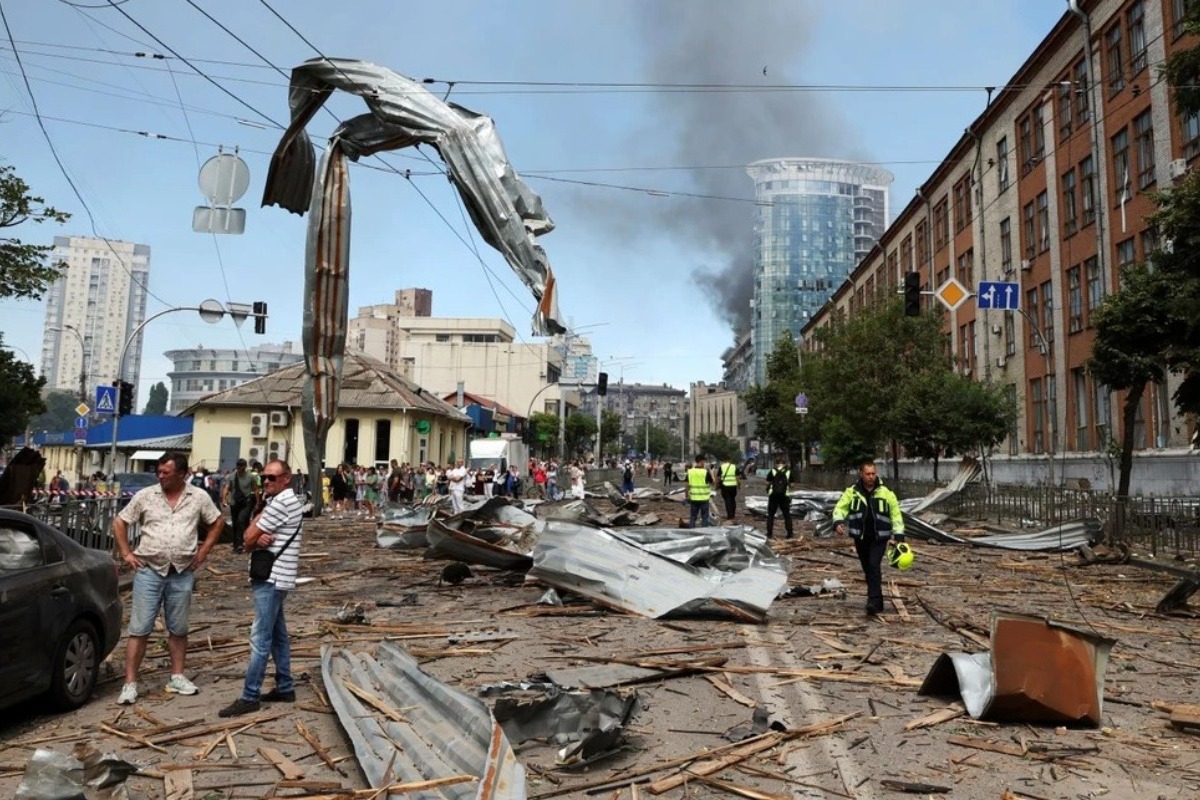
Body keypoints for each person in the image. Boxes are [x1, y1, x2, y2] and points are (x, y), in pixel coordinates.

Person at [112, 452, 224, 705]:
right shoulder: (145, 496)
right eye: (159, 472)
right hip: (149, 570)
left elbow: (217, 522)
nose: (161, 476)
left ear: (182, 474)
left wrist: (204, 551)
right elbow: (119, 522)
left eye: (166, 473)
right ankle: (130, 684)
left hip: (182, 572)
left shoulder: (198, 497)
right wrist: (126, 553)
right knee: (139, 628)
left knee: (179, 628)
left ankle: (177, 676)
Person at [219, 459, 305, 717]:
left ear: (286, 478)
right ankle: (285, 686)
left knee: (260, 638)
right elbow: (251, 534)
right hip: (278, 576)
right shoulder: (279, 501)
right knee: (278, 635)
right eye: (264, 477)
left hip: (272, 577)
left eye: (272, 477)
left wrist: (255, 535)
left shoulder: (281, 503)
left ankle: (250, 695)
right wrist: (256, 533)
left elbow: (246, 537)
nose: (266, 481)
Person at [832, 461, 904, 616]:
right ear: (861, 474)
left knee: (873, 565)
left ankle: (874, 601)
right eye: (868, 474)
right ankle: (876, 600)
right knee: (867, 567)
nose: (871, 477)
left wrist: (899, 534)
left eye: (873, 473)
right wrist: (837, 521)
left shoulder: (886, 492)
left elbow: (896, 514)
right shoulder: (852, 492)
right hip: (861, 537)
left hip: (880, 537)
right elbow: (840, 508)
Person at [222, 458, 260, 553]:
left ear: (245, 466)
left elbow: (255, 489)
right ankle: (237, 544)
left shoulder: (250, 476)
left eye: (242, 466)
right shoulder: (231, 476)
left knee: (241, 520)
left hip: (246, 502)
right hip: (234, 503)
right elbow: (226, 488)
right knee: (236, 523)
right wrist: (224, 499)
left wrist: (258, 502)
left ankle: (241, 543)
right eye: (238, 465)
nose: (240, 468)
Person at [765, 457, 794, 540]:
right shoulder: (788, 472)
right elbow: (792, 485)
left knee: (770, 514)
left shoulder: (772, 471)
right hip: (784, 496)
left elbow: (767, 482)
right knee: (787, 514)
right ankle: (789, 533)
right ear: (784, 464)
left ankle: (769, 533)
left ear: (776, 464)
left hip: (773, 496)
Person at [685, 455, 714, 528]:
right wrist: (712, 473)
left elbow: (686, 485)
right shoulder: (705, 472)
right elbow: (713, 484)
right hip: (704, 499)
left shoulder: (690, 471)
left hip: (694, 498)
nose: (705, 463)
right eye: (704, 461)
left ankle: (692, 531)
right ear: (701, 461)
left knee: (693, 517)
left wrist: (687, 496)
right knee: (704, 517)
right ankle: (703, 533)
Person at [717, 457, 740, 522]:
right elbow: (737, 477)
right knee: (733, 499)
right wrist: (738, 484)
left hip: (725, 486)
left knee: (727, 500)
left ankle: (729, 515)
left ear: (724, 460)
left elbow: (718, 476)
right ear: (730, 460)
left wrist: (717, 484)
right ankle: (733, 514)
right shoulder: (734, 466)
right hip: (733, 486)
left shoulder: (722, 467)